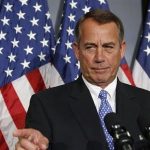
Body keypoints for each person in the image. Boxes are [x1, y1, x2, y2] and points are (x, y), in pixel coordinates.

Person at [13, 9, 150, 150]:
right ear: (77, 51)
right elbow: (35, 145)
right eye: (90, 47)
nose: (99, 58)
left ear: (121, 50)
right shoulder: (45, 105)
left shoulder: (147, 103)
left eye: (108, 47)